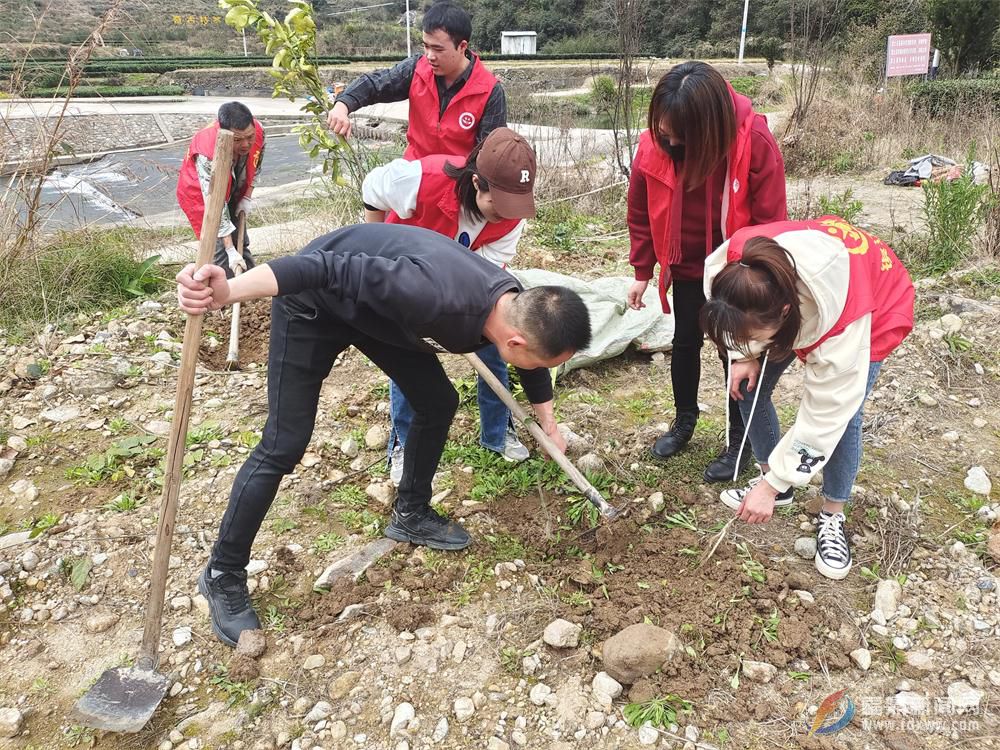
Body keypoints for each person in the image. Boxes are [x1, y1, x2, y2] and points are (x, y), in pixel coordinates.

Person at [175, 223, 591, 646]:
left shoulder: (516, 304)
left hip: (379, 317)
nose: (534, 367)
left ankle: (411, 514)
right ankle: (222, 572)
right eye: (537, 360)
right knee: (285, 443)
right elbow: (318, 269)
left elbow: (531, 361)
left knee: (437, 401)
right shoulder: (432, 294)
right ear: (516, 339)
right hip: (316, 304)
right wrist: (227, 292)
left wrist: (549, 423)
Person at [700, 217, 915, 580]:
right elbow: (730, 311)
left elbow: (825, 416)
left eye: (753, 338)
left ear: (784, 315)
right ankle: (774, 482)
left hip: (872, 305)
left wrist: (772, 485)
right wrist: (743, 354)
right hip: (789, 301)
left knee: (845, 419)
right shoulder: (733, 268)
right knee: (747, 387)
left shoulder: (843, 326)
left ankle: (832, 513)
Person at [626, 61, 787, 483]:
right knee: (684, 342)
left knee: (734, 350)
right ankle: (685, 420)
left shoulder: (752, 141)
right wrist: (643, 269)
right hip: (683, 261)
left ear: (710, 127)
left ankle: (740, 441)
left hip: (733, 269)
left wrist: (762, 283)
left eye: (682, 137)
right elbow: (640, 212)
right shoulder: (654, 144)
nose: (672, 143)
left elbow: (773, 223)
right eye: (666, 134)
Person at [361, 127, 537, 480]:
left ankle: (497, 431)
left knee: (495, 341)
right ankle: (404, 445)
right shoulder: (420, 179)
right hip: (406, 278)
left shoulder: (512, 215)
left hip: (463, 282)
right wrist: (374, 250)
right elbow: (371, 189)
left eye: (513, 206)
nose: (504, 215)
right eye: (496, 204)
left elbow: (489, 273)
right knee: (410, 358)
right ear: (476, 183)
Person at [326, 2, 505, 160]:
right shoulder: (416, 69)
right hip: (415, 177)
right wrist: (342, 106)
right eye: (426, 46)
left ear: (462, 46)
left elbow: (489, 157)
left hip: (459, 185)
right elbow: (375, 84)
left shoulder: (489, 91)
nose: (430, 56)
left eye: (437, 49)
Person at [176, 101, 265, 279]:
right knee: (220, 249)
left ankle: (250, 286)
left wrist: (246, 197)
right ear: (225, 134)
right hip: (200, 193)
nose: (246, 144)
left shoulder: (258, 129)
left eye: (249, 137)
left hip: (233, 186)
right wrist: (230, 249)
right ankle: (222, 297)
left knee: (241, 238)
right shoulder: (207, 153)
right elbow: (215, 204)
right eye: (238, 140)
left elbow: (256, 164)